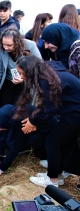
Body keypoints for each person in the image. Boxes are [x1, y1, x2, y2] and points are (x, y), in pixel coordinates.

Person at [12, 56, 80, 187]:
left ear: (30, 71)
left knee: (52, 142)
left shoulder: (46, 81)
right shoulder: (48, 71)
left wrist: (32, 121)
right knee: (61, 142)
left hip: (75, 115)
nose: (20, 76)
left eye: (21, 73)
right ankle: (57, 174)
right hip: (72, 111)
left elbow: (49, 108)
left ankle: (52, 180)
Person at [0, 104, 58, 182]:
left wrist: (0, 170)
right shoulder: (9, 117)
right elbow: (2, 139)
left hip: (48, 132)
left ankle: (46, 158)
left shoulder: (21, 120)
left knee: (33, 140)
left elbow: (16, 147)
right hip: (32, 129)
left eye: (2, 127)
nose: (1, 129)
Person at [0, 28, 41, 118]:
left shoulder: (30, 46)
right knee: (5, 108)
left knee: (19, 109)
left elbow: (39, 67)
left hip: (25, 84)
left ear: (17, 42)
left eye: (9, 45)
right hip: (8, 82)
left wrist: (24, 78)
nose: (6, 47)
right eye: (4, 44)